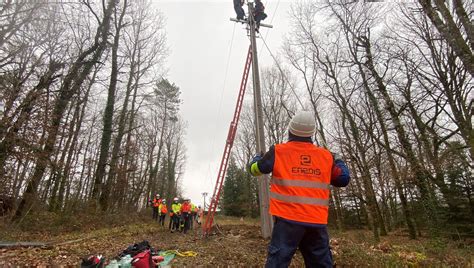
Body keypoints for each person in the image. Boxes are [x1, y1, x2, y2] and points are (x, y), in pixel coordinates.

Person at [248, 111, 350, 268]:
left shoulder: (278, 151)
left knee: (277, 263)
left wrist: (256, 159)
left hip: (287, 221)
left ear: (290, 130)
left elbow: (256, 170)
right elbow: (343, 179)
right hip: (316, 222)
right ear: (312, 134)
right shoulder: (326, 156)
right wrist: (338, 159)